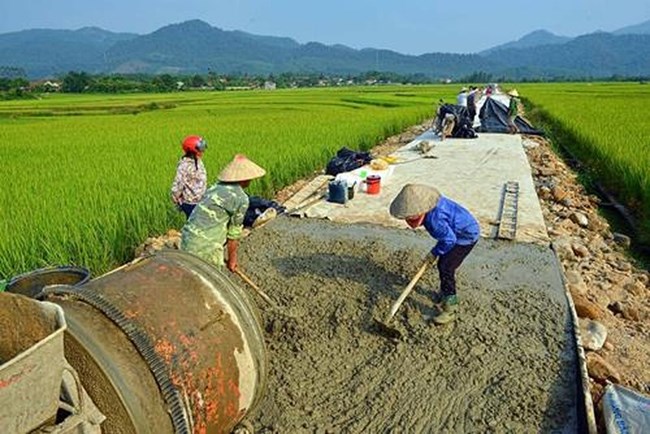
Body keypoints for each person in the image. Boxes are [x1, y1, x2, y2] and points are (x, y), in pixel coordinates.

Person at [389, 184, 480, 325]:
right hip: (455, 231)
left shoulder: (434, 221)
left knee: (446, 267)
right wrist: (438, 251)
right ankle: (445, 294)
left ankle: (450, 308)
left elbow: (449, 240)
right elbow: (447, 237)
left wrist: (435, 252)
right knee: (443, 263)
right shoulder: (431, 208)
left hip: (466, 236)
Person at [181, 154, 266, 271]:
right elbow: (233, 234)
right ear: (245, 178)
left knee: (190, 276)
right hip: (207, 247)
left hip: (187, 240)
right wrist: (232, 261)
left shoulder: (215, 187)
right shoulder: (241, 198)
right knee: (211, 281)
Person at [171, 135, 208, 218]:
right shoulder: (184, 165)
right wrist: (176, 198)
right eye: (200, 149)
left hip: (202, 200)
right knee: (195, 225)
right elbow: (178, 184)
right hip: (190, 203)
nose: (203, 151)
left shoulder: (198, 161)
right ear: (192, 150)